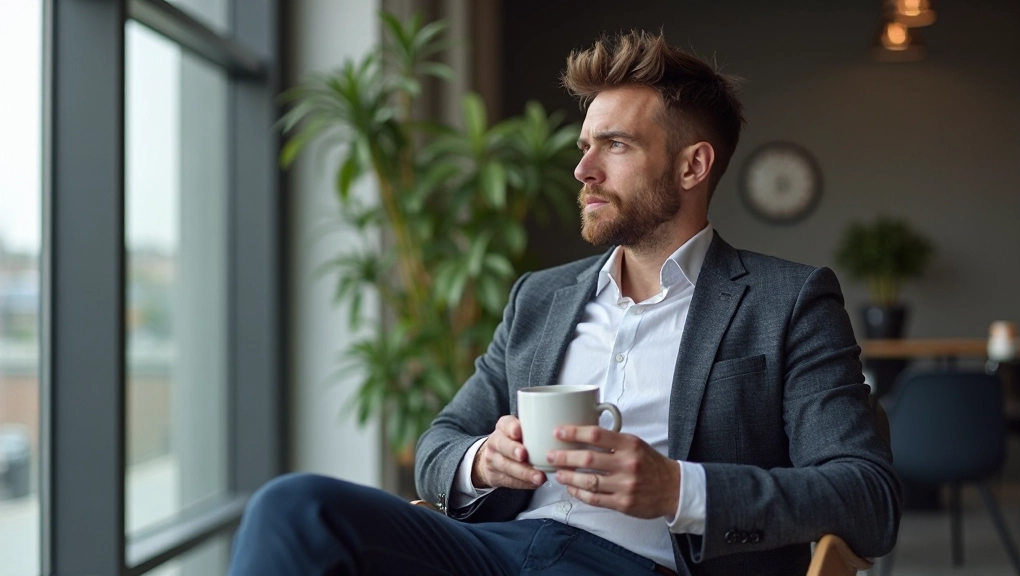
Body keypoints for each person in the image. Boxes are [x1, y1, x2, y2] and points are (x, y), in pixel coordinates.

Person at [229, 30, 901, 576]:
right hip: (495, 552)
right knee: (296, 507)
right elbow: (439, 444)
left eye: (614, 145)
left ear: (692, 167)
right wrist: (481, 461)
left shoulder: (787, 301)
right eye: (585, 146)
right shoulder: (540, 298)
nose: (582, 169)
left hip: (642, 566)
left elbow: (867, 497)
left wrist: (677, 489)